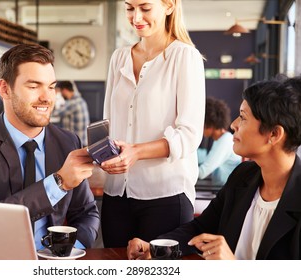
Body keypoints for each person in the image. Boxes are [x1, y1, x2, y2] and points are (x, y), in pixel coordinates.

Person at [127, 76, 301, 260]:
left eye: (243, 117)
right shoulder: (243, 176)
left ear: (274, 134)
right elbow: (200, 228)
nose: (233, 125)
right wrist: (157, 247)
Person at [0, 44, 100, 250]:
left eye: (51, 86)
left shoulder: (68, 142)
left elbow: (86, 213)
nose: (47, 97)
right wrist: (58, 183)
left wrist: (71, 251)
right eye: (33, 86)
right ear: (4, 89)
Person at [100, 0, 205, 247]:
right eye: (129, 8)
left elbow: (188, 134)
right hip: (116, 193)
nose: (136, 17)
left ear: (169, 6)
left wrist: (136, 152)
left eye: (145, 8)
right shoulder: (119, 58)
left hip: (166, 195)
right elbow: (108, 124)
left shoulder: (185, 56)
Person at [197, 97, 241, 186]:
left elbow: (202, 172)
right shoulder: (221, 140)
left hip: (226, 191)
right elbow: (206, 158)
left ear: (210, 124)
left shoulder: (225, 141)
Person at [52, 81, 90, 146]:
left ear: (65, 90)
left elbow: (55, 113)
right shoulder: (80, 100)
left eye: (60, 92)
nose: (60, 94)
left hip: (77, 142)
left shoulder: (73, 103)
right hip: (82, 141)